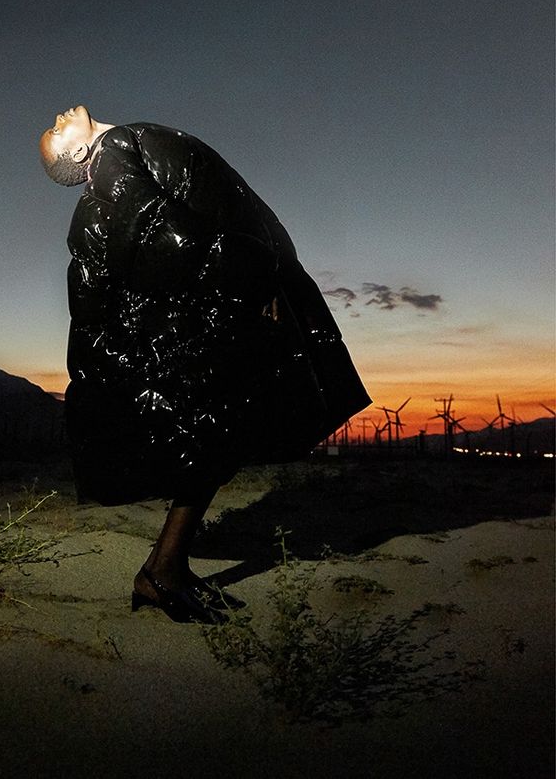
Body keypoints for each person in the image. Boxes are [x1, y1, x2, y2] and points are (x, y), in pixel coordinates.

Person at [38, 105, 371, 624]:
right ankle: (161, 572)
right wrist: (251, 276)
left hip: (203, 302)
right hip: (215, 300)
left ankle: (166, 567)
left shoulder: (120, 154)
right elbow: (160, 228)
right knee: (216, 429)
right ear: (79, 155)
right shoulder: (113, 153)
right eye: (56, 134)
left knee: (215, 432)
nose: (59, 120)